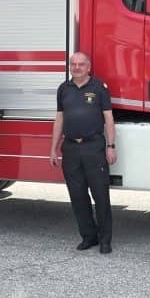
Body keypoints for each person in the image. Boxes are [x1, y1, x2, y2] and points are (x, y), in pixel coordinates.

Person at [49, 52, 117, 254]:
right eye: (73, 64)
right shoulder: (64, 89)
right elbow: (59, 119)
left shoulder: (99, 88)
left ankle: (105, 239)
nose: (76, 68)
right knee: (77, 195)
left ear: (88, 67)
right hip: (70, 148)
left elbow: (109, 119)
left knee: (100, 194)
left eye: (81, 64)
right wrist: (53, 148)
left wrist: (111, 146)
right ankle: (89, 236)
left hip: (93, 147)